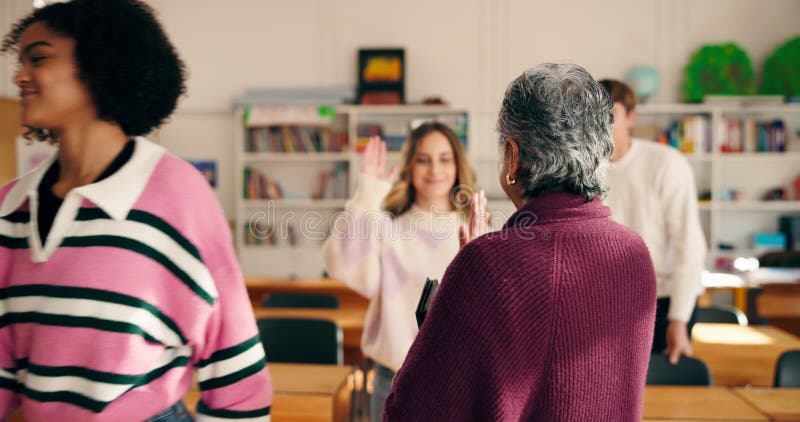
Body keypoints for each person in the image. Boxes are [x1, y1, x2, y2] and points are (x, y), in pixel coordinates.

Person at [0, 1, 272, 420]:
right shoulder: (11, 206)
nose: (19, 77)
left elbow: (234, 364)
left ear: (100, 65)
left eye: (38, 59)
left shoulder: (177, 193)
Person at [383, 64, 657, 421]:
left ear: (512, 157)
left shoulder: (486, 264)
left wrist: (466, 282)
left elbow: (410, 412)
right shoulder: (634, 253)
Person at [322, 121, 484, 422]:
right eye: (423, 159)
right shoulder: (387, 226)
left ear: (458, 165)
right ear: (409, 166)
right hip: (394, 380)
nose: (434, 169)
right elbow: (341, 265)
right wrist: (367, 195)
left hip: (459, 384)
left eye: (444, 159)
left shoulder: (476, 229)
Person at [599, 79, 706, 364]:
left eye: (610, 114)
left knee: (662, 386)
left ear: (631, 117)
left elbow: (689, 246)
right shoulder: (581, 169)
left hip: (663, 303)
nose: (601, 123)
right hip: (606, 303)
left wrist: (679, 320)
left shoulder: (666, 163)